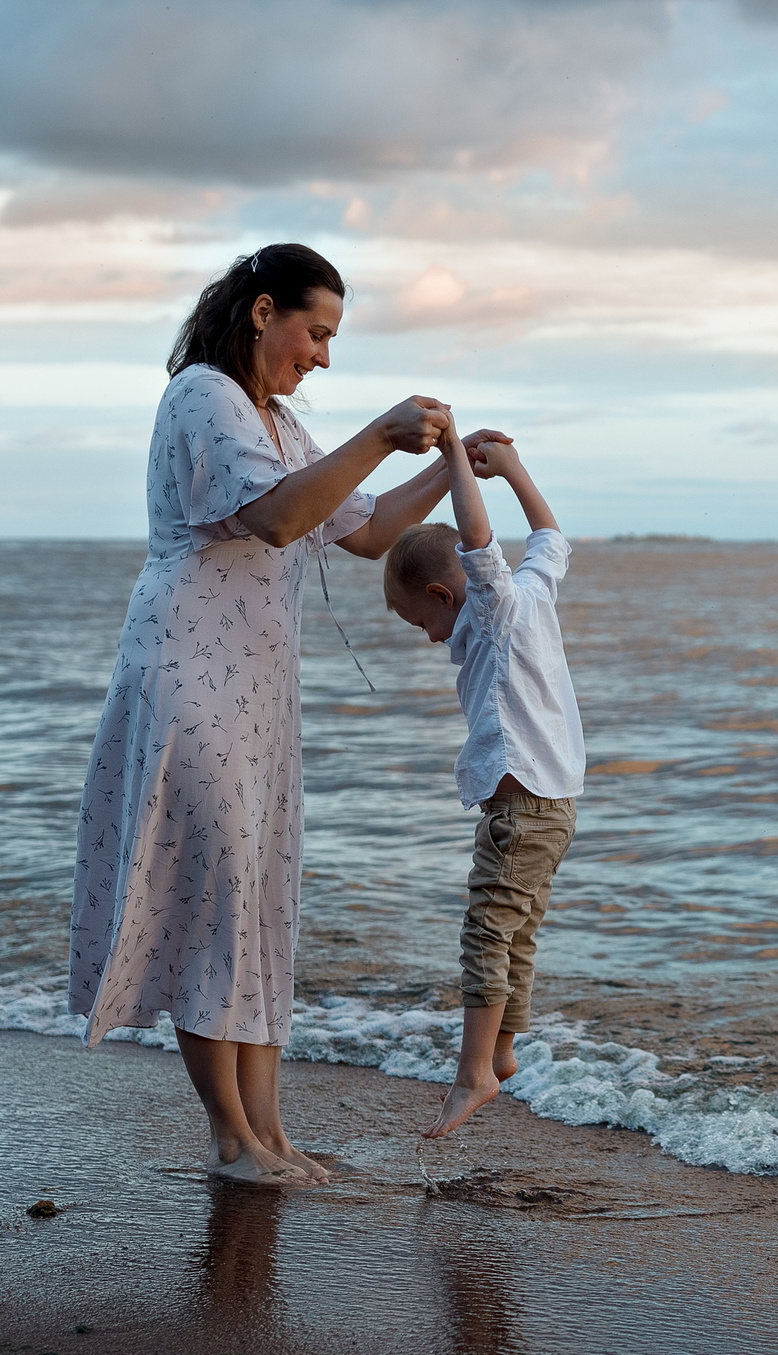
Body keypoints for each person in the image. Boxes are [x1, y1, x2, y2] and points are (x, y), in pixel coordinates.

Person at [71, 243, 504, 1185]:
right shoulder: (203, 394)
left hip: (258, 695)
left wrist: (452, 466)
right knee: (211, 900)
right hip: (190, 675)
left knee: (261, 906)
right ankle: (230, 1138)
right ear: (264, 311)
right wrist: (381, 433)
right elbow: (275, 517)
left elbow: (365, 529)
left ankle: (268, 1132)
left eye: (334, 340)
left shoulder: (276, 421)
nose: (324, 356)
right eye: (318, 332)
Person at [381, 420, 583, 1142]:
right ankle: (501, 1051)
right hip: (556, 804)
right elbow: (551, 539)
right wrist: (515, 469)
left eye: (422, 622)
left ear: (444, 594)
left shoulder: (495, 605)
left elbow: (476, 540)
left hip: (520, 805)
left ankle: (473, 1074)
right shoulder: (533, 592)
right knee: (517, 933)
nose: (430, 637)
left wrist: (453, 455)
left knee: (486, 932)